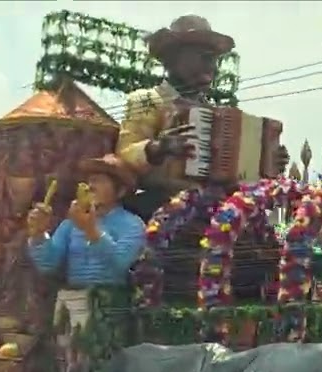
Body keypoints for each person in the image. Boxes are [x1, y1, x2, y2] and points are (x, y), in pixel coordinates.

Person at [115, 14, 289, 305]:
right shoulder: (147, 100)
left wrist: (268, 164)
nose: (211, 65)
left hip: (216, 207)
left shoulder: (221, 114)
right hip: (163, 203)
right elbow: (125, 152)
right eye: (202, 56)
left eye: (214, 59)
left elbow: (242, 177)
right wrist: (158, 148)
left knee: (261, 249)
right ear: (172, 59)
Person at [25, 154, 147, 372]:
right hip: (72, 304)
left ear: (119, 191)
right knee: (70, 368)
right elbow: (49, 263)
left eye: (100, 180)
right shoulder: (70, 224)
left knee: (103, 369)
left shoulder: (132, 224)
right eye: (90, 180)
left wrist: (91, 230)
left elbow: (122, 262)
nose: (91, 185)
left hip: (109, 307)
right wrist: (38, 235)